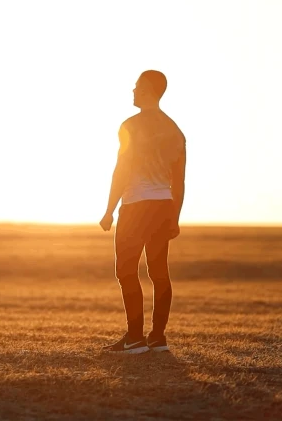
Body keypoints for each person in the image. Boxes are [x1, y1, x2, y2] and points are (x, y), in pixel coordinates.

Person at [99, 70, 186, 354]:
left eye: (137, 87)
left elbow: (121, 170)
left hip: (136, 206)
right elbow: (179, 181)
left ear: (148, 89)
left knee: (125, 270)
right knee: (159, 272)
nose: (133, 91)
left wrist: (109, 209)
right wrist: (174, 216)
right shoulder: (175, 130)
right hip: (163, 206)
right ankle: (157, 337)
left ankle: (135, 337)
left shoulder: (130, 125)